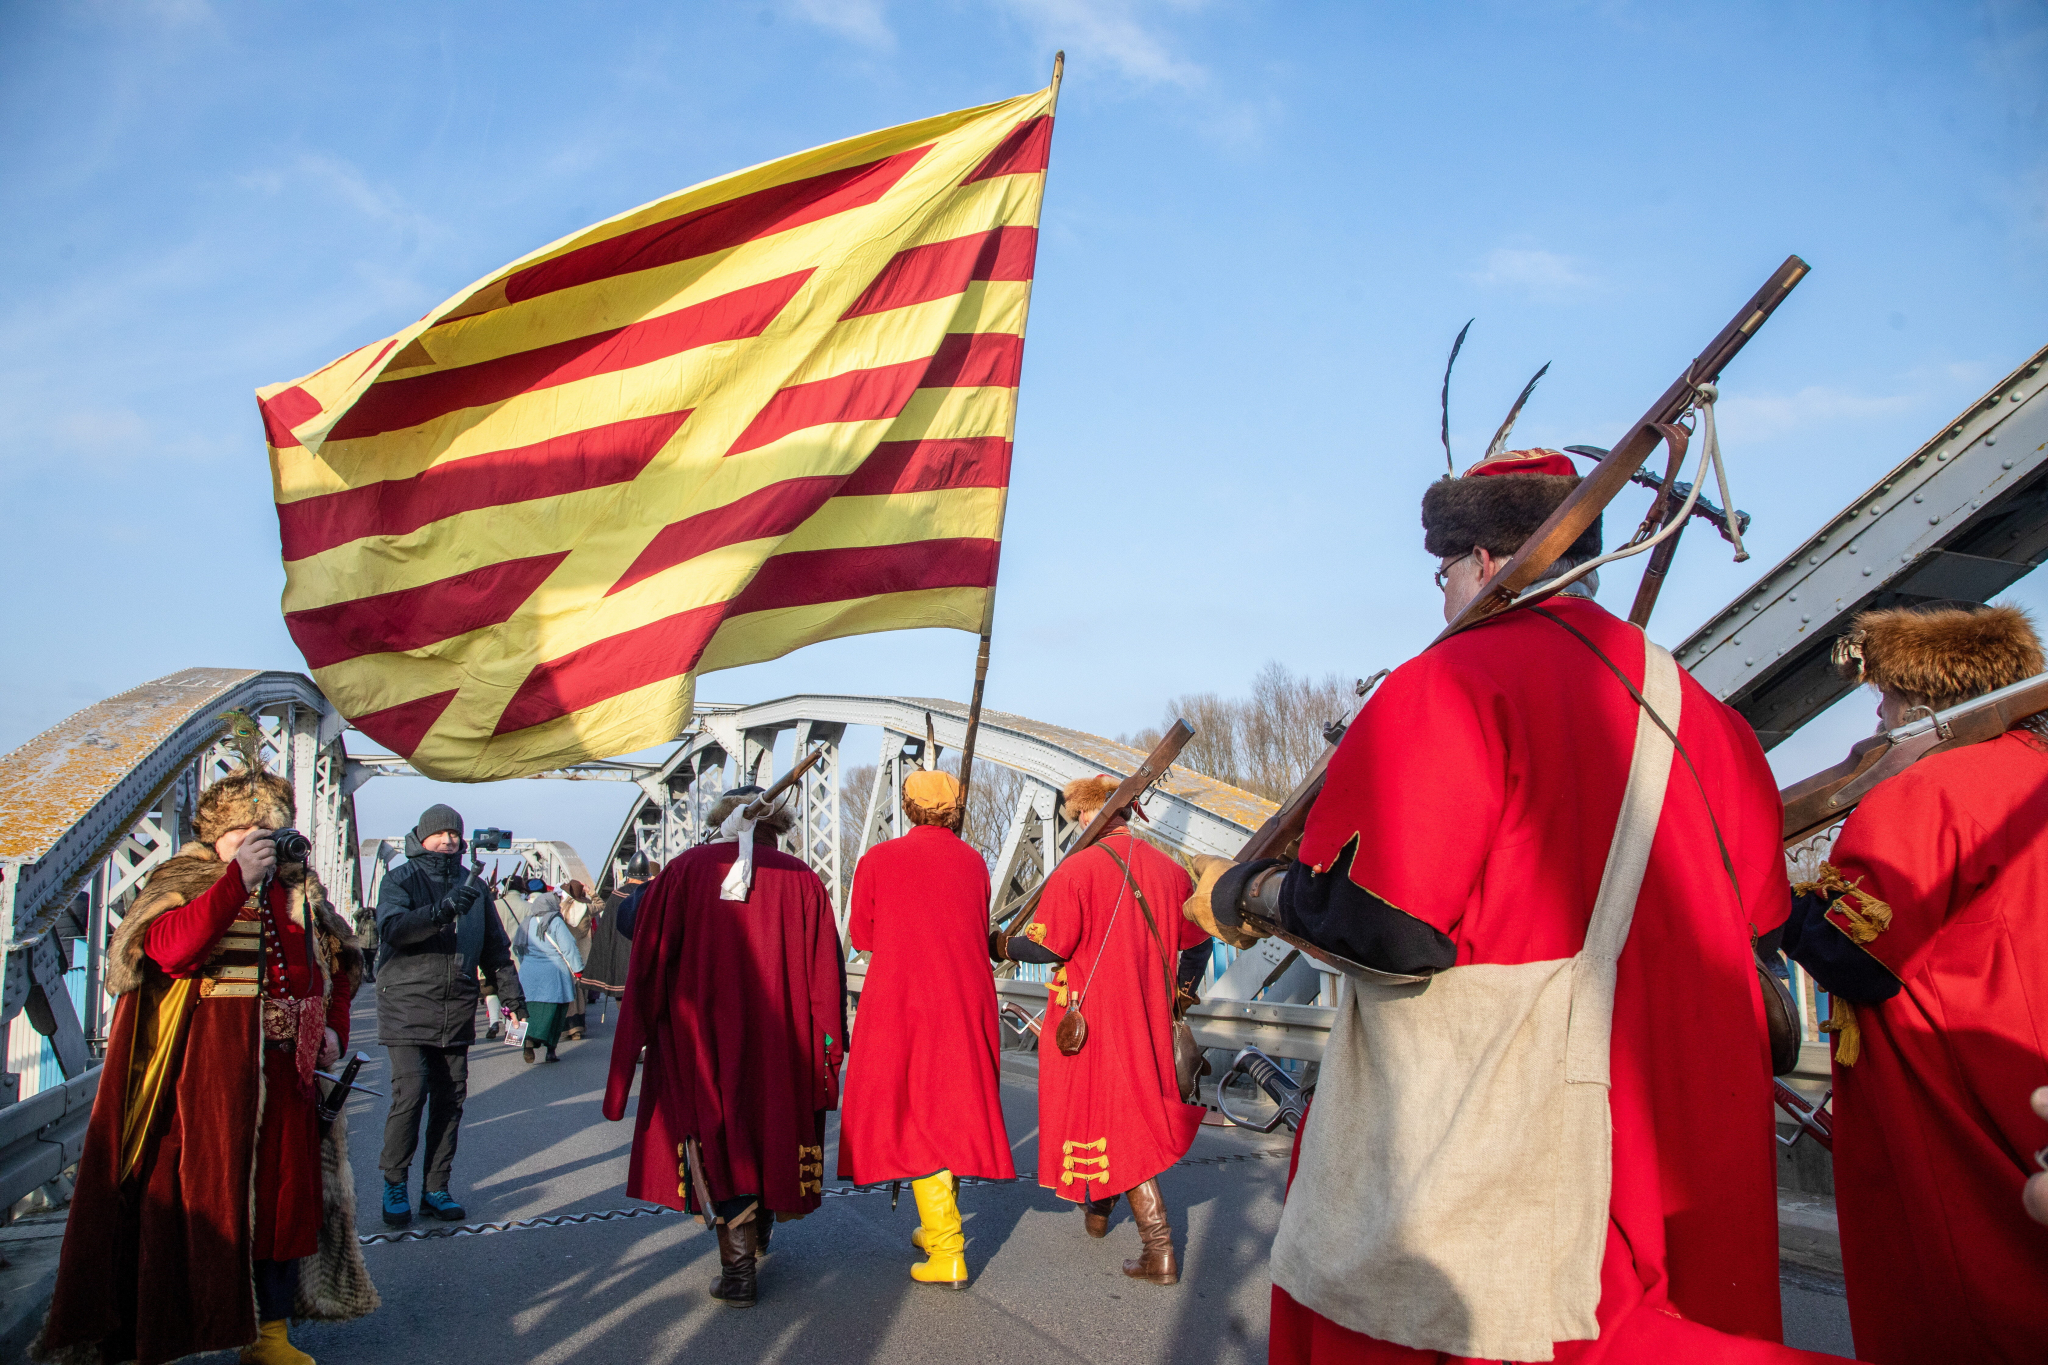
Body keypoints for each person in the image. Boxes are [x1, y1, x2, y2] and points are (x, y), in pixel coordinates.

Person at [1189, 450, 1839, 1362]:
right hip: (1690, 1130)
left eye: (1444, 573)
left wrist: (1248, 892)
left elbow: (1385, 928)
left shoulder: (1448, 683)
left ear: (1488, 561)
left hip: (1524, 1138)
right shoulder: (1708, 718)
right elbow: (1765, 934)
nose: (1442, 597)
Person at [35, 714, 375, 1365]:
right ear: (220, 836)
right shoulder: (183, 882)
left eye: (268, 835)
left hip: (285, 1088)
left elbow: (341, 966)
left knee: (281, 1216)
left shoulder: (299, 891)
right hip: (202, 1091)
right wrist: (232, 884)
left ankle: (269, 1334)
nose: (261, 847)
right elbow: (165, 949)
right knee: (189, 1216)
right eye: (248, 835)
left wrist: (331, 1029)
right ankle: (159, 1335)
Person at [1781, 603, 2048, 1363]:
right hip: (2020, 1056)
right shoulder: (2031, 767)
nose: (1878, 712)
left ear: (1924, 705)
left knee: (1961, 1300)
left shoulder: (1931, 788)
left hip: (1954, 1082)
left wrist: (1767, 884)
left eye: (1889, 698)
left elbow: (1853, 955)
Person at [603, 788, 845, 1308]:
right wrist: (830, 1054)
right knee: (767, 1128)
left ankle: (737, 1271)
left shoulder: (686, 869)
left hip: (701, 1034)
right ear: (778, 824)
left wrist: (627, 1057)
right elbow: (827, 976)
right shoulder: (802, 878)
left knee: (719, 1132)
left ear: (721, 821)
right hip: (783, 1039)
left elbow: (647, 964)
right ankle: (755, 1234)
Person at [993, 775, 1207, 1285]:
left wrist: (1002, 946)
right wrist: (1180, 991)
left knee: (1119, 1114)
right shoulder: (1168, 871)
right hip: (1147, 1013)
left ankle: (1159, 1249)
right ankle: (1099, 1214)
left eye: (1077, 818)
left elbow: (1048, 948)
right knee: (1119, 1107)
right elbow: (1198, 941)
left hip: (1093, 1018)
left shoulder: (1079, 868)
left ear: (1088, 816)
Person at [837, 770, 1015, 1288]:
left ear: (910, 807)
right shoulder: (974, 862)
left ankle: (947, 1249)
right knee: (950, 1104)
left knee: (914, 1111)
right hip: (965, 995)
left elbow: (863, 935)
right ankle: (939, 1219)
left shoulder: (879, 860)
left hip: (904, 998)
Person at [373, 804, 525, 1229]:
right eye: (439, 834)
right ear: (420, 838)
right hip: (405, 1002)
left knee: (450, 1099)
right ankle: (395, 1182)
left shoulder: (472, 886)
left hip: (454, 1005)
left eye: (454, 835)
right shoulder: (399, 879)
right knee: (411, 1092)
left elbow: (495, 950)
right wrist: (441, 912)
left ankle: (436, 1188)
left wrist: (515, 1002)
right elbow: (394, 930)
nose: (448, 841)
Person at [514, 888, 585, 1063]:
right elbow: (568, 947)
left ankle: (528, 1041)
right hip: (554, 974)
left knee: (529, 1010)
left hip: (529, 973)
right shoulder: (555, 922)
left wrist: (526, 964)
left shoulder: (526, 922)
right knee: (556, 1012)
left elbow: (518, 948)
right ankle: (550, 1050)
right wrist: (578, 969)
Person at [580, 853, 657, 998]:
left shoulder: (616, 896)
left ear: (628, 875)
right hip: (649, 963)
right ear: (647, 875)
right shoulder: (654, 893)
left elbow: (605, 933)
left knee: (624, 1008)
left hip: (622, 965)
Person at [559, 879, 596, 1039]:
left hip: (565, 956)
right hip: (583, 954)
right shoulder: (586, 908)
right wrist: (591, 893)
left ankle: (570, 1026)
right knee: (582, 991)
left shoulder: (561, 910)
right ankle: (579, 1025)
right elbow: (601, 905)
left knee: (569, 991)